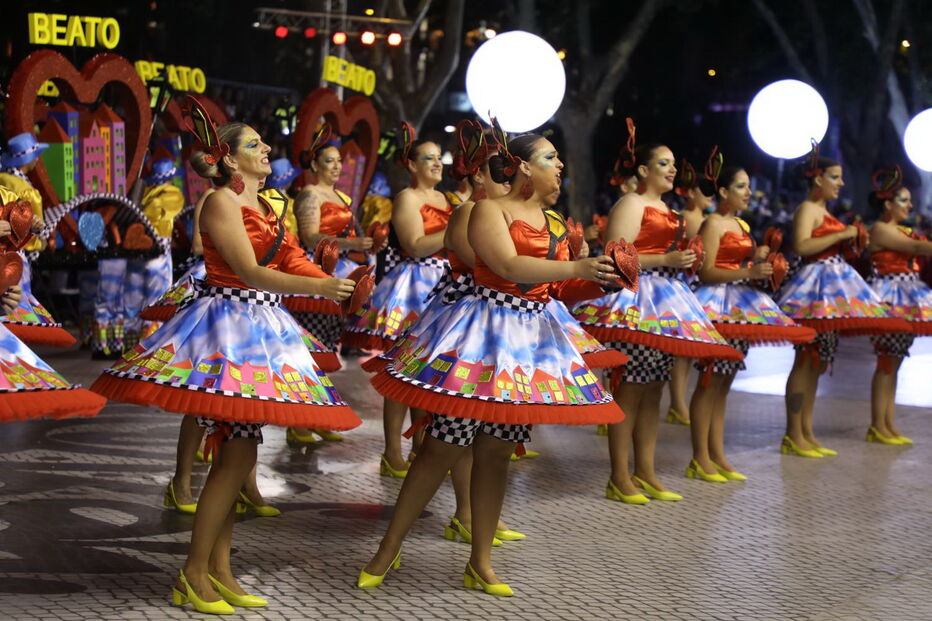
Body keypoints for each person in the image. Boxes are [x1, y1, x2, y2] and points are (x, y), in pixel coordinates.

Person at [90, 99, 361, 614]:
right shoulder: (220, 203)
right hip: (228, 331)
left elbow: (290, 258)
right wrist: (325, 286)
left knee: (241, 454)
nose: (266, 150)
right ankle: (194, 572)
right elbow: (250, 271)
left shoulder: (267, 207)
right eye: (254, 145)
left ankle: (219, 569)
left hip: (261, 329)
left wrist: (332, 278)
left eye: (264, 144)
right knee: (233, 453)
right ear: (230, 160)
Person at [359, 127, 624, 597]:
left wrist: (604, 280)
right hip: (481, 338)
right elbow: (507, 266)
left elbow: (559, 289)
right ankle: (388, 547)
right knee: (441, 447)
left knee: (498, 452)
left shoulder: (557, 224)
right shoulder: (487, 209)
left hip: (527, 346)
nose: (560, 166)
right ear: (522, 166)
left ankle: (480, 560)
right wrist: (576, 267)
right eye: (550, 157)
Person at [572, 119, 743, 504]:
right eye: (663, 163)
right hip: (635, 302)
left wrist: (680, 261)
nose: (671, 169)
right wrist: (666, 257)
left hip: (665, 302)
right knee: (630, 389)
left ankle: (645, 470)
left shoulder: (667, 209)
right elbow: (618, 254)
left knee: (654, 389)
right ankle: (619, 475)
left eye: (673, 164)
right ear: (643, 170)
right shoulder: (631, 203)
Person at [775, 144, 908, 457]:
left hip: (831, 290)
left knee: (818, 361)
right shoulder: (808, 209)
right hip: (813, 291)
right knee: (806, 359)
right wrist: (842, 235)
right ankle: (793, 433)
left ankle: (805, 430)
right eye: (835, 177)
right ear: (818, 179)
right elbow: (803, 246)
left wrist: (849, 241)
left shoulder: (824, 211)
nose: (841, 183)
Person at [687, 158, 814, 482]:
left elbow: (740, 263)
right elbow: (705, 271)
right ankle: (700, 456)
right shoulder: (713, 223)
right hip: (717, 305)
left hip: (741, 305)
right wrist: (748, 270)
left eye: (748, 186)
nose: (748, 192)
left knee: (724, 382)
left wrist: (758, 260)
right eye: (741, 187)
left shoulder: (742, 226)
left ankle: (717, 453)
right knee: (709, 380)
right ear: (724, 191)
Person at [343, 123, 453, 477]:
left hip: (444, 282)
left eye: (439, 158)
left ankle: (421, 443)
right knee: (401, 370)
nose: (437, 164)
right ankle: (393, 451)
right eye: (429, 158)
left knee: (426, 370)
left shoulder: (446, 199)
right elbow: (417, 244)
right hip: (415, 285)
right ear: (412, 165)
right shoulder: (407, 198)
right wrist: (456, 229)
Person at [865, 166, 932, 444]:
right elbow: (917, 249)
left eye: (909, 200)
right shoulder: (881, 229)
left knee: (895, 359)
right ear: (887, 204)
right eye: (903, 200)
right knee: (886, 361)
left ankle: (887, 423)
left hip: (907, 295)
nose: (909, 205)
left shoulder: (902, 229)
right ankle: (878, 425)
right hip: (889, 297)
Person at [0, 132, 73, 347]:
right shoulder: (22, 187)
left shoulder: (5, 180)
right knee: (15, 302)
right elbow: (32, 220)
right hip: (15, 253)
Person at [665, 156, 714, 426]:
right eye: (706, 191)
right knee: (680, 349)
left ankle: (678, 402)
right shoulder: (686, 219)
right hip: (685, 283)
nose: (710, 197)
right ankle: (677, 403)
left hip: (692, 283)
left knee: (685, 350)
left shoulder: (701, 218)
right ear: (692, 191)